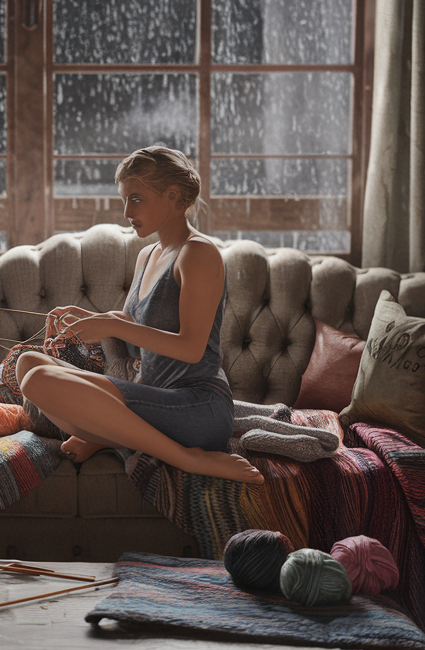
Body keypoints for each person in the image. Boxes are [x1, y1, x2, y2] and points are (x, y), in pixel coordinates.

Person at [16, 147, 263, 484]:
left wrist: (111, 324)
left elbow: (191, 349)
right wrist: (90, 319)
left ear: (172, 196)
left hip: (196, 406)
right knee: (29, 365)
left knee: (40, 381)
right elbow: (136, 336)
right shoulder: (148, 254)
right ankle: (106, 437)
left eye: (136, 199)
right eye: (124, 199)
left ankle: (189, 459)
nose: (126, 211)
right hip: (154, 400)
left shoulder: (198, 253)